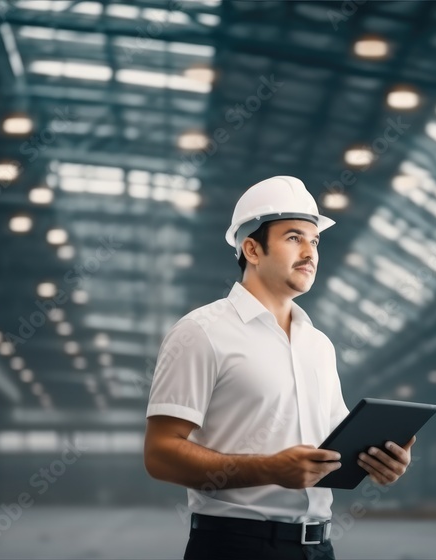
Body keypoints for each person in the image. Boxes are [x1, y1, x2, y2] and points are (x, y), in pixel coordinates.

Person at [144, 176, 416, 560]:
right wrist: (268, 470)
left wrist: (381, 461)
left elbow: (335, 448)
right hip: (235, 547)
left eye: (315, 240)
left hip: (319, 548)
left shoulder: (318, 345)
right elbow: (160, 454)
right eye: (294, 238)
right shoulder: (200, 333)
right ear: (252, 249)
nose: (310, 252)